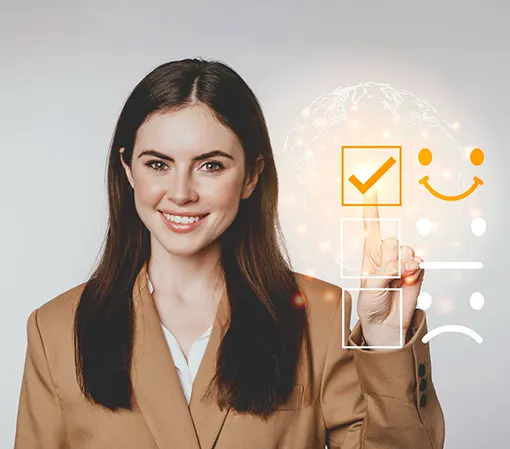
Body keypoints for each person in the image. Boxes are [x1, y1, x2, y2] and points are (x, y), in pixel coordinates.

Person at [14, 58, 445, 448]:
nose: (181, 193)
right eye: (158, 164)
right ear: (127, 169)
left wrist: (385, 340)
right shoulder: (56, 329)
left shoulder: (317, 315)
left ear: (252, 176)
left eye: (211, 165)